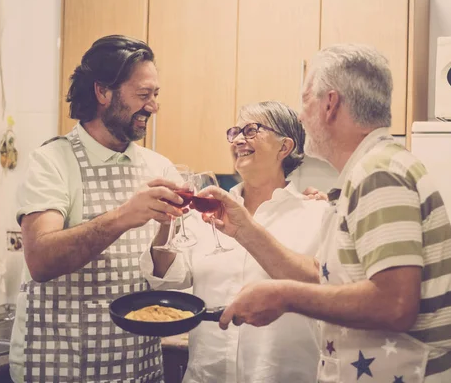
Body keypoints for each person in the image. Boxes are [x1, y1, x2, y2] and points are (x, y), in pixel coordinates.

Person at [200, 44, 451, 382]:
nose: (299, 117)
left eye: (304, 102)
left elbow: (394, 303)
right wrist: (244, 229)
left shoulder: (379, 174)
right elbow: (326, 277)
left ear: (330, 104)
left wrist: (284, 296)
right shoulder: (367, 171)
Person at [9, 35, 186, 382]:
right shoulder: (52, 161)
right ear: (103, 93)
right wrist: (123, 217)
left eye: (156, 95)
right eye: (143, 95)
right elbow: (41, 261)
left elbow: (166, 274)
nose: (153, 106)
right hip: (61, 366)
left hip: (138, 367)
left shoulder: (160, 167)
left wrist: (168, 228)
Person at [140, 101, 328, 383]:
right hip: (206, 375)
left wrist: (245, 230)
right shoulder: (207, 211)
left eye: (252, 130)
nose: (238, 139)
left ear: (284, 147)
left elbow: (320, 285)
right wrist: (166, 225)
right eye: (235, 131)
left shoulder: (317, 214)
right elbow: (167, 278)